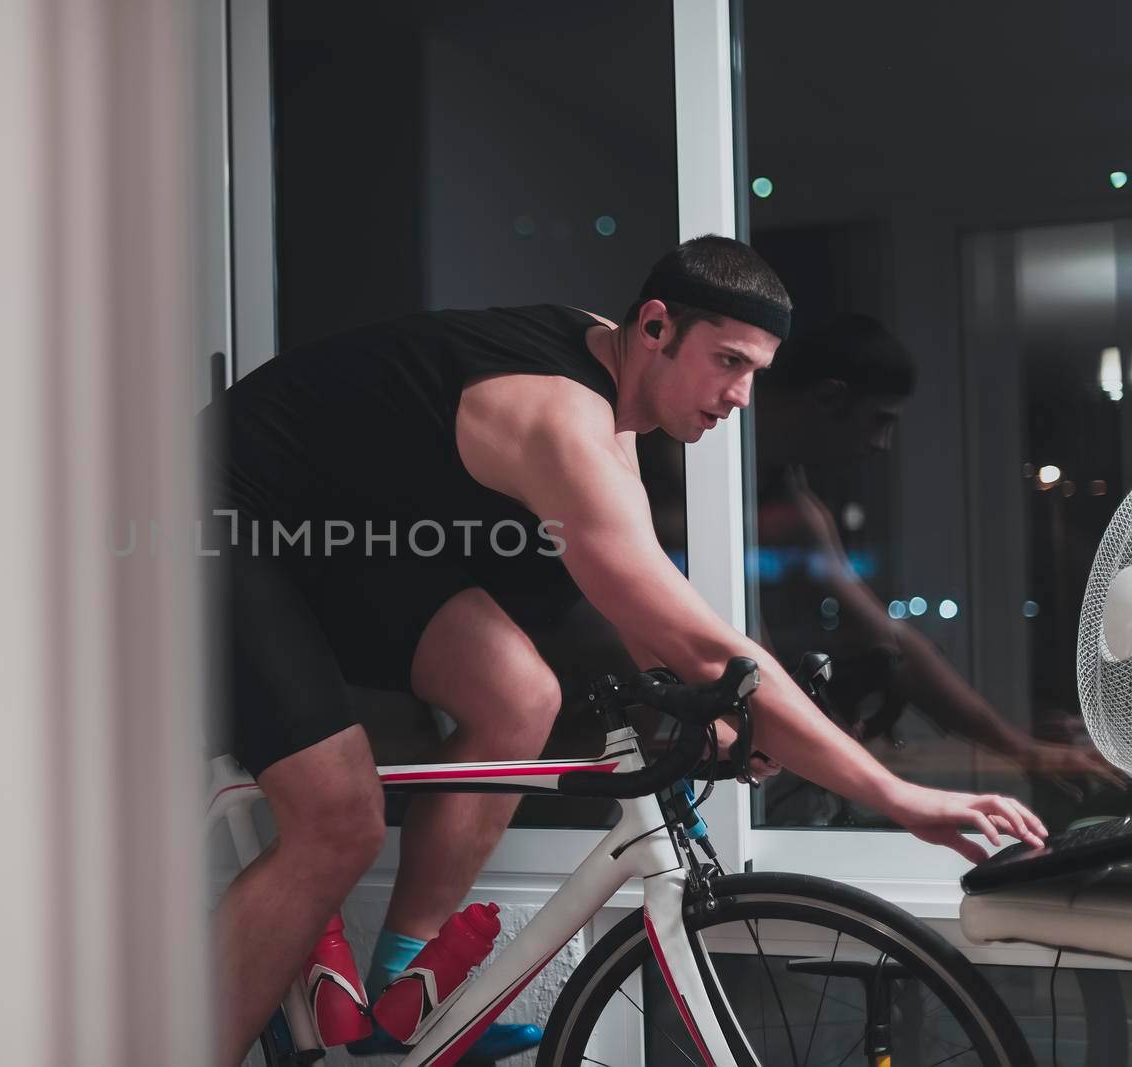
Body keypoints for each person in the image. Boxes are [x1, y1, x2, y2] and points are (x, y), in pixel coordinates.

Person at [201, 236, 1048, 1067]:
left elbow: (650, 621)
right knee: (337, 819)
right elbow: (705, 646)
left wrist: (707, 705)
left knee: (519, 694)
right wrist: (901, 798)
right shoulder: (560, 422)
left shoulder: (612, 391)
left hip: (340, 542)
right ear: (654, 328)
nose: (743, 395)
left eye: (756, 371)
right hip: (207, 516)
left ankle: (400, 992)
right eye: (727, 361)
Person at [748, 314, 1125, 825]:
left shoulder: (786, 492)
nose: (881, 444)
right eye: (880, 419)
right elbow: (749, 660)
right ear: (830, 398)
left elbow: (892, 642)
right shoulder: (694, 467)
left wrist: (1024, 750)